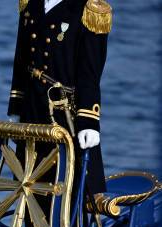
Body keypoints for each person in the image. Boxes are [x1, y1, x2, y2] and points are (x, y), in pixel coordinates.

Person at [8, 0, 112, 202]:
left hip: (65, 112)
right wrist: (16, 105)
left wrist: (89, 120)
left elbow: (89, 73)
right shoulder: (31, 4)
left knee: (66, 184)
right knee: (28, 181)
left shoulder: (88, 11)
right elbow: (20, 60)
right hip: (32, 109)